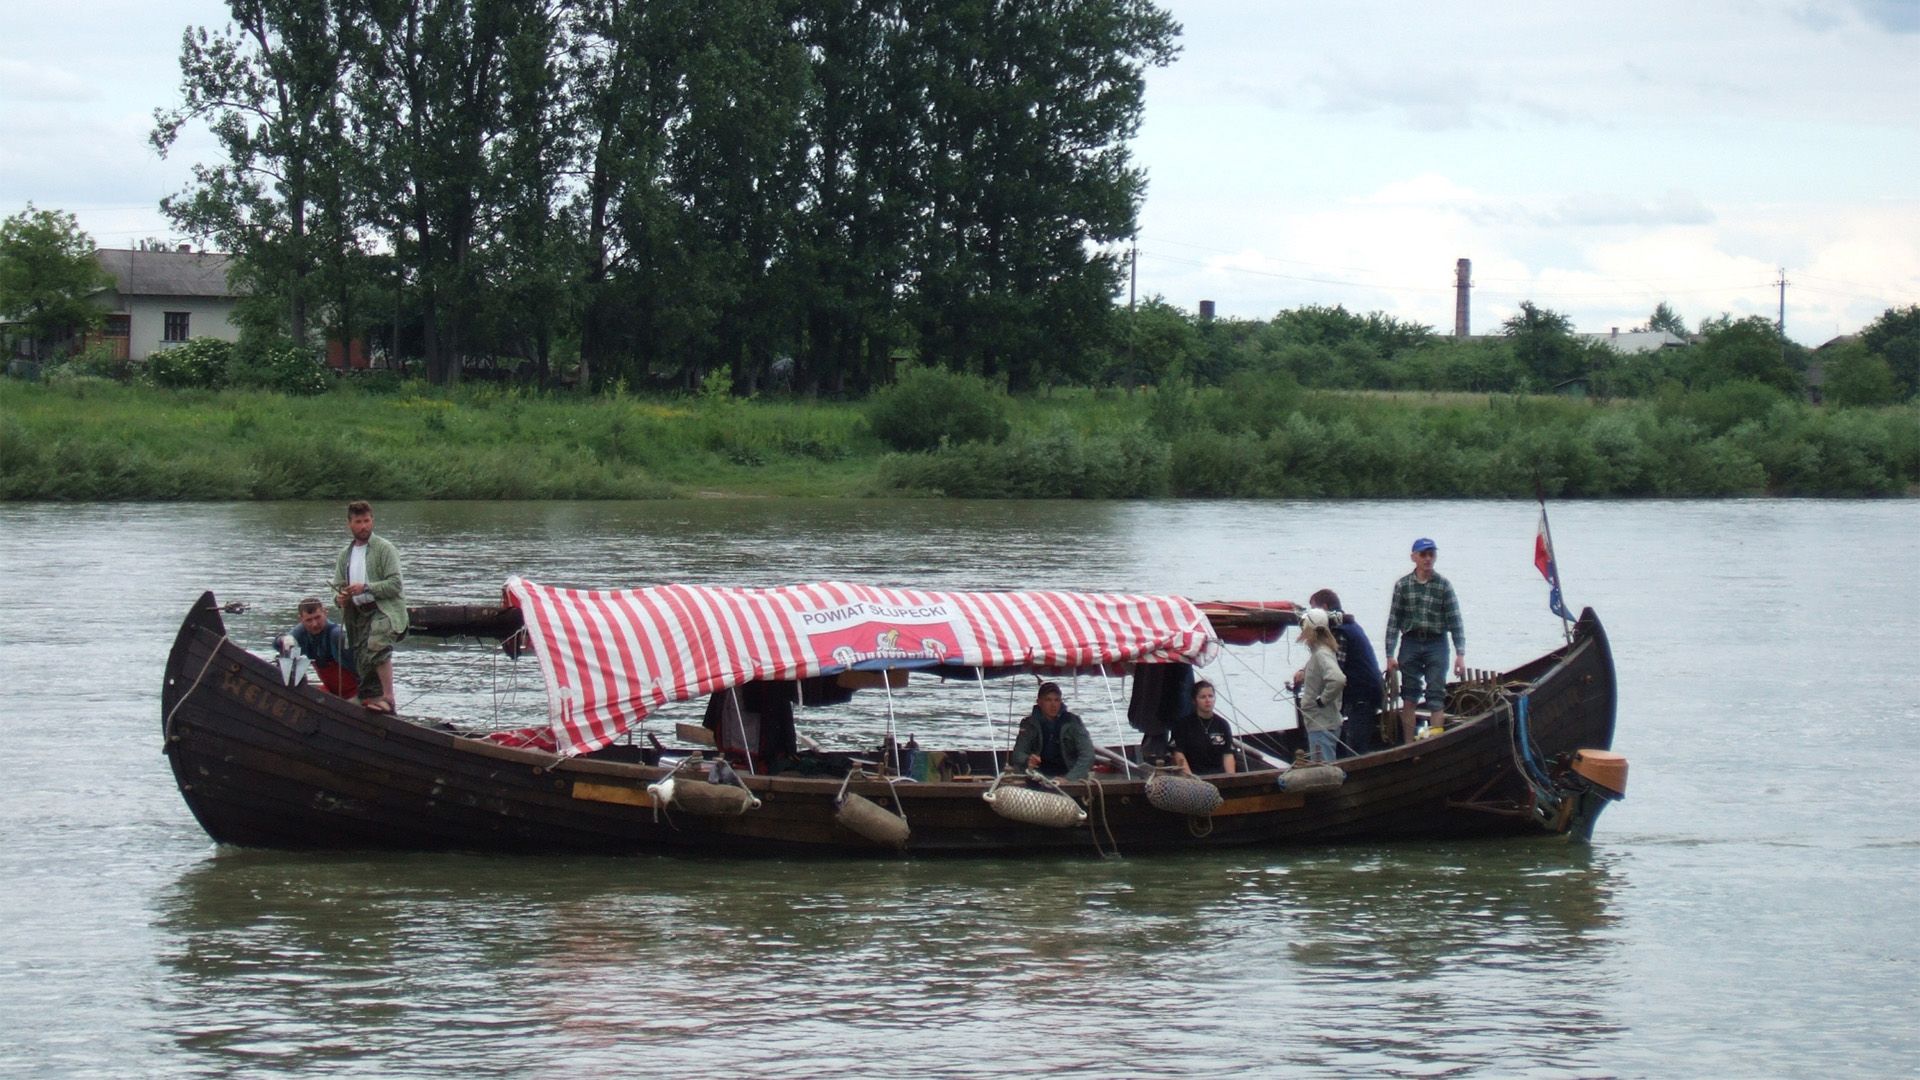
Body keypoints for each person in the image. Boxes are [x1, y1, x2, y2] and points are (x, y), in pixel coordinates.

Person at [1383, 537, 1466, 744]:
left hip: (1436, 643)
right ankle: (1409, 745)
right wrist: (1389, 654)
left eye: (1431, 554)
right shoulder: (1402, 585)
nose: (1428, 559)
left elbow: (1455, 620)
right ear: (1414, 557)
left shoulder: (1443, 585)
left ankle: (1434, 743)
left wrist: (1460, 654)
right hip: (1410, 642)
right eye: (1423, 555)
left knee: (1436, 694)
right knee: (1409, 695)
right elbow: (1394, 620)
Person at [332, 500, 407, 713]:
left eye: (367, 521)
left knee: (377, 644)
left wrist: (365, 587)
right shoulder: (344, 555)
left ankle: (389, 698)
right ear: (350, 524)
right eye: (358, 522)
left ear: (372, 520)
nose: (364, 526)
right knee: (362, 657)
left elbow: (395, 584)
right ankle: (372, 699)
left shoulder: (384, 549)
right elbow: (337, 587)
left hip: (384, 609)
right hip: (358, 614)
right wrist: (340, 598)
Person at [1309, 588, 1385, 757]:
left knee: (1355, 749)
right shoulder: (1350, 626)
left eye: (1314, 610)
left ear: (1325, 608)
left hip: (1361, 697)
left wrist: (1311, 685)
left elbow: (1335, 670)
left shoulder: (1341, 632)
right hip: (1365, 692)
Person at [1009, 681, 1095, 781]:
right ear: (1039, 702)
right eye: (1048, 700)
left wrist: (1069, 778)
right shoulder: (1029, 724)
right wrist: (1028, 760)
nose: (1053, 705)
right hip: (1037, 776)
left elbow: (1087, 755)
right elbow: (1018, 754)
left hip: (1067, 774)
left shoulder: (1073, 722)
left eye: (1057, 700)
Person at [1295, 609, 1347, 763]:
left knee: (1323, 769)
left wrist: (1322, 700)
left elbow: (1338, 679)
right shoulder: (1321, 653)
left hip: (1322, 724)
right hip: (1320, 723)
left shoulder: (1321, 654)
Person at [289, 597, 358, 699]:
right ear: (301, 620)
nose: (314, 624)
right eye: (309, 620)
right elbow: (278, 644)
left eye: (317, 617)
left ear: (325, 613)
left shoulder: (337, 636)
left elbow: (364, 668)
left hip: (357, 692)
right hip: (331, 690)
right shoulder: (301, 632)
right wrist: (284, 640)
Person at [1169, 679, 1238, 776]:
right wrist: (1191, 779)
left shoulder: (1222, 724)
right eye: (1202, 697)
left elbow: (1228, 754)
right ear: (1194, 700)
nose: (1207, 700)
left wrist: (1230, 778)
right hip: (1195, 777)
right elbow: (1178, 753)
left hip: (1219, 776)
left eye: (1210, 696)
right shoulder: (1183, 725)